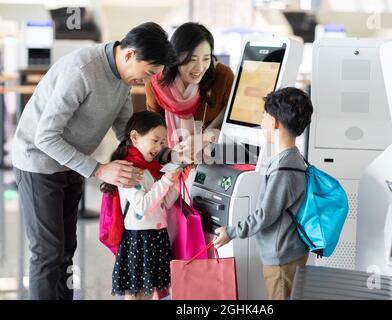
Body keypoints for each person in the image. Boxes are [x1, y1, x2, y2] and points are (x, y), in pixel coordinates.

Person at [12, 22, 176, 300]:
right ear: (129, 55)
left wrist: (164, 154)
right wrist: (99, 169)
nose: (147, 81)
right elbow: (45, 137)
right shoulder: (83, 71)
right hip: (38, 161)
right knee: (47, 252)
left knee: (66, 249)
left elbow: (127, 131)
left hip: (72, 161)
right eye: (148, 72)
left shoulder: (123, 79)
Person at [213, 87, 314, 300]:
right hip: (285, 251)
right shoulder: (289, 159)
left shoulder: (284, 168)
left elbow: (265, 215)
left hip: (282, 257)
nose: (261, 122)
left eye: (263, 116)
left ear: (274, 122)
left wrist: (231, 232)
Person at [101, 111, 185, 300]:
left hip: (156, 238)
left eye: (163, 142)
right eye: (155, 140)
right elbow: (142, 205)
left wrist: (179, 181)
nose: (159, 147)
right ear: (135, 137)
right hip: (138, 239)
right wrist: (165, 181)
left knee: (148, 295)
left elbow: (163, 202)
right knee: (136, 296)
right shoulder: (129, 170)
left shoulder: (150, 169)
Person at [145, 22, 235, 164]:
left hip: (214, 162)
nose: (199, 68)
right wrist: (174, 157)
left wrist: (205, 137)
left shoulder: (222, 77)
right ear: (175, 56)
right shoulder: (156, 83)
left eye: (206, 59)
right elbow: (151, 137)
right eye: (191, 60)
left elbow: (239, 126)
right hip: (172, 164)